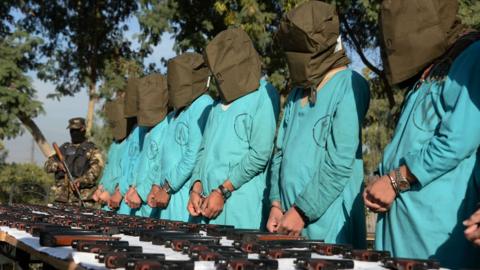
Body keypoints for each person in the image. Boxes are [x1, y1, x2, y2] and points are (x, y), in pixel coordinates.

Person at [364, 0, 480, 268]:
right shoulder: (433, 67)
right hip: (400, 232)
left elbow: (456, 142)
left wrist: (395, 181)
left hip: (433, 237)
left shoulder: (472, 57)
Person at [266, 1, 369, 247]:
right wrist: (276, 204)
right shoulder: (295, 94)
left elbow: (340, 162)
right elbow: (279, 152)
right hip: (287, 219)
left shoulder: (350, 85)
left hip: (329, 220)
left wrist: (302, 211)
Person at [187, 28, 280, 229]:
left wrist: (223, 191)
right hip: (205, 206)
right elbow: (203, 151)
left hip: (240, 207)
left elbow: (260, 154)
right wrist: (195, 187)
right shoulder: (216, 106)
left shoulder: (263, 94)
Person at [145, 53, 213, 222]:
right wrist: (155, 184)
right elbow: (163, 153)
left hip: (181, 195)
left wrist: (167, 187)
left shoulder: (202, 104)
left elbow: (193, 155)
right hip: (164, 195)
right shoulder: (175, 113)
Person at [123, 73, 170, 217]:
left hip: (152, 199)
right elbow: (139, 162)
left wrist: (141, 191)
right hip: (137, 199)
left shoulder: (165, 125)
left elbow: (159, 164)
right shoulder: (145, 129)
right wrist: (133, 187)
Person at [108, 78, 149, 215]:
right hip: (125, 197)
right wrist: (117, 189)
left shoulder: (147, 128)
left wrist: (132, 189)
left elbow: (142, 163)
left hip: (137, 198)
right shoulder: (134, 130)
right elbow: (124, 165)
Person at [44, 117, 104, 206]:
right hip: (60, 199)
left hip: (82, 200)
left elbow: (94, 173)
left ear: (83, 129)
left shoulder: (92, 150)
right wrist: (57, 165)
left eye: (76, 130)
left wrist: (80, 181)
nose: (74, 133)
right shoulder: (64, 148)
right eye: (72, 130)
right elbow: (47, 166)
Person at [93, 96, 128, 209]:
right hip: (106, 204)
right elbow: (108, 169)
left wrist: (111, 191)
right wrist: (101, 188)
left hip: (121, 203)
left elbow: (126, 174)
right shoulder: (114, 145)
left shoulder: (129, 144)